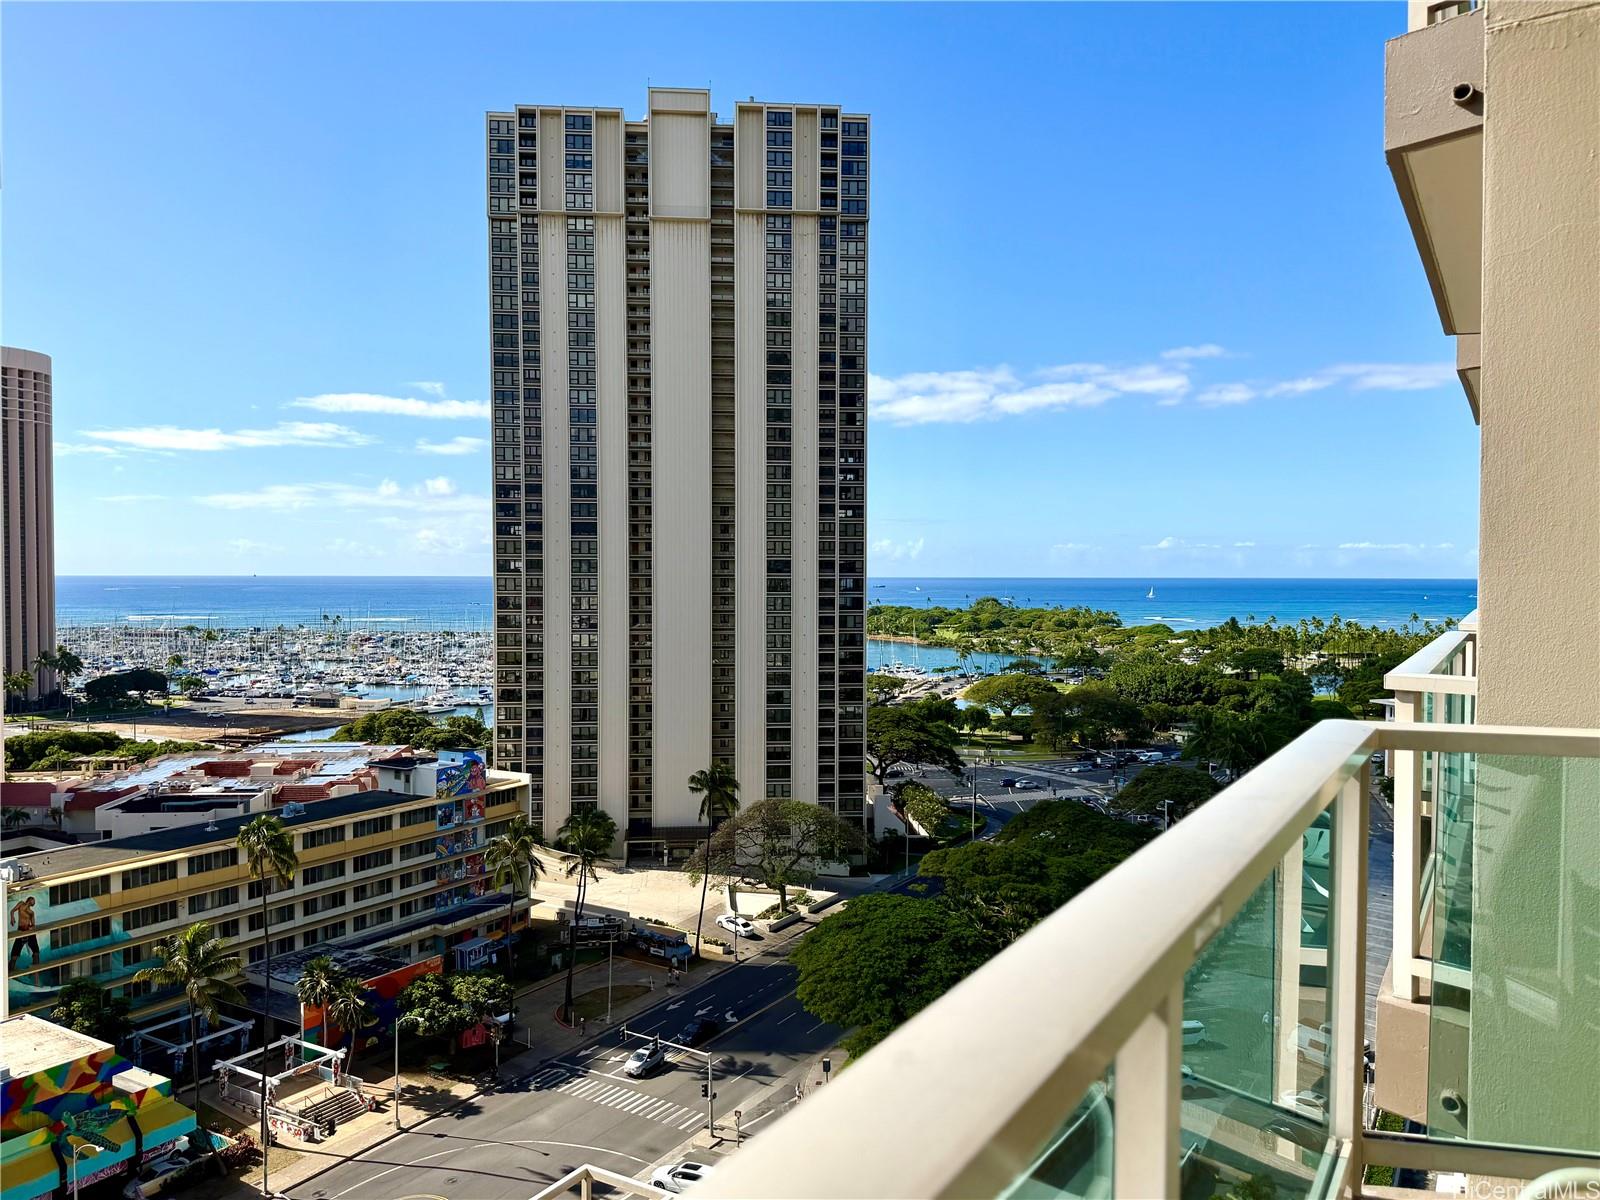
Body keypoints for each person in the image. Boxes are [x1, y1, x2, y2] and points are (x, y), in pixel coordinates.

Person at [8, 896, 39, 969]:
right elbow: (12, 911)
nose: (34, 902)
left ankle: (36, 970)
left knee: (36, 952)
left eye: (34, 901)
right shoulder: (21, 904)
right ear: (29, 899)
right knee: (14, 955)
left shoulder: (31, 912)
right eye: (33, 900)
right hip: (21, 931)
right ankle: (9, 970)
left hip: (28, 931)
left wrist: (32, 927)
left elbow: (33, 924)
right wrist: (12, 918)